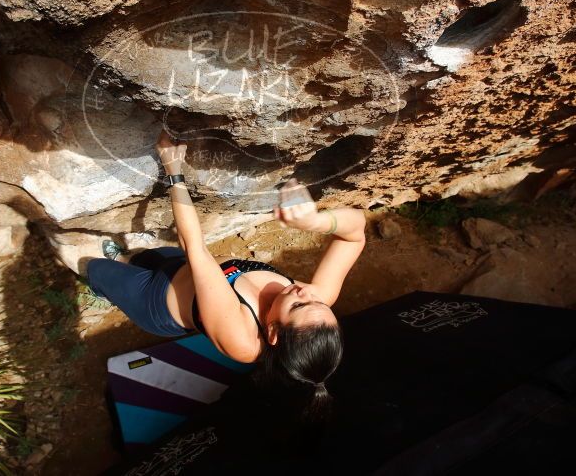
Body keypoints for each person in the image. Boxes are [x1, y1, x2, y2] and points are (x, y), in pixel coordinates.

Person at [84, 129, 367, 420]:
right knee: (140, 257)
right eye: (319, 303)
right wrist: (317, 221)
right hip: (183, 266)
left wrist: (174, 171)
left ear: (271, 333)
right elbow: (355, 235)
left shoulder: (242, 340)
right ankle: (126, 257)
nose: (306, 293)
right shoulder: (315, 302)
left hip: (155, 300)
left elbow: (195, 248)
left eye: (298, 305)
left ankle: (101, 285)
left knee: (95, 269)